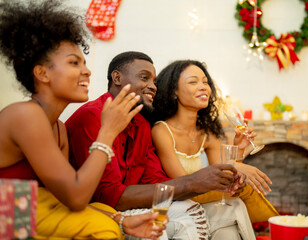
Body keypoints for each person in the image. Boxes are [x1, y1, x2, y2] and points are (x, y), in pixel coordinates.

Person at [0, 1, 166, 239]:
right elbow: (77, 198)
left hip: (30, 205)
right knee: (103, 229)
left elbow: (69, 196)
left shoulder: (57, 128)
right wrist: (108, 132)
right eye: (73, 62)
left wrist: (122, 220)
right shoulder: (25, 115)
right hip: (9, 210)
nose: (87, 71)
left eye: (85, 63)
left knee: (108, 217)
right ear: (42, 73)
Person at [66, 51, 245, 240]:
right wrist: (194, 181)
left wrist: (214, 182)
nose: (152, 86)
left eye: (154, 81)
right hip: (102, 211)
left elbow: (155, 180)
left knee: (207, 212)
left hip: (132, 207)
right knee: (181, 217)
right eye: (145, 78)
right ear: (117, 77)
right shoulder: (93, 117)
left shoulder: (141, 124)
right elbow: (108, 195)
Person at [150, 60, 275, 239]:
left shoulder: (208, 132)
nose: (203, 87)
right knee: (237, 206)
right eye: (193, 82)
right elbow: (182, 183)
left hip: (203, 202)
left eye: (205, 82)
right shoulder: (161, 130)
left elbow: (225, 176)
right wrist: (233, 166)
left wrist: (238, 150)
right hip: (178, 205)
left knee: (228, 232)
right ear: (173, 91)